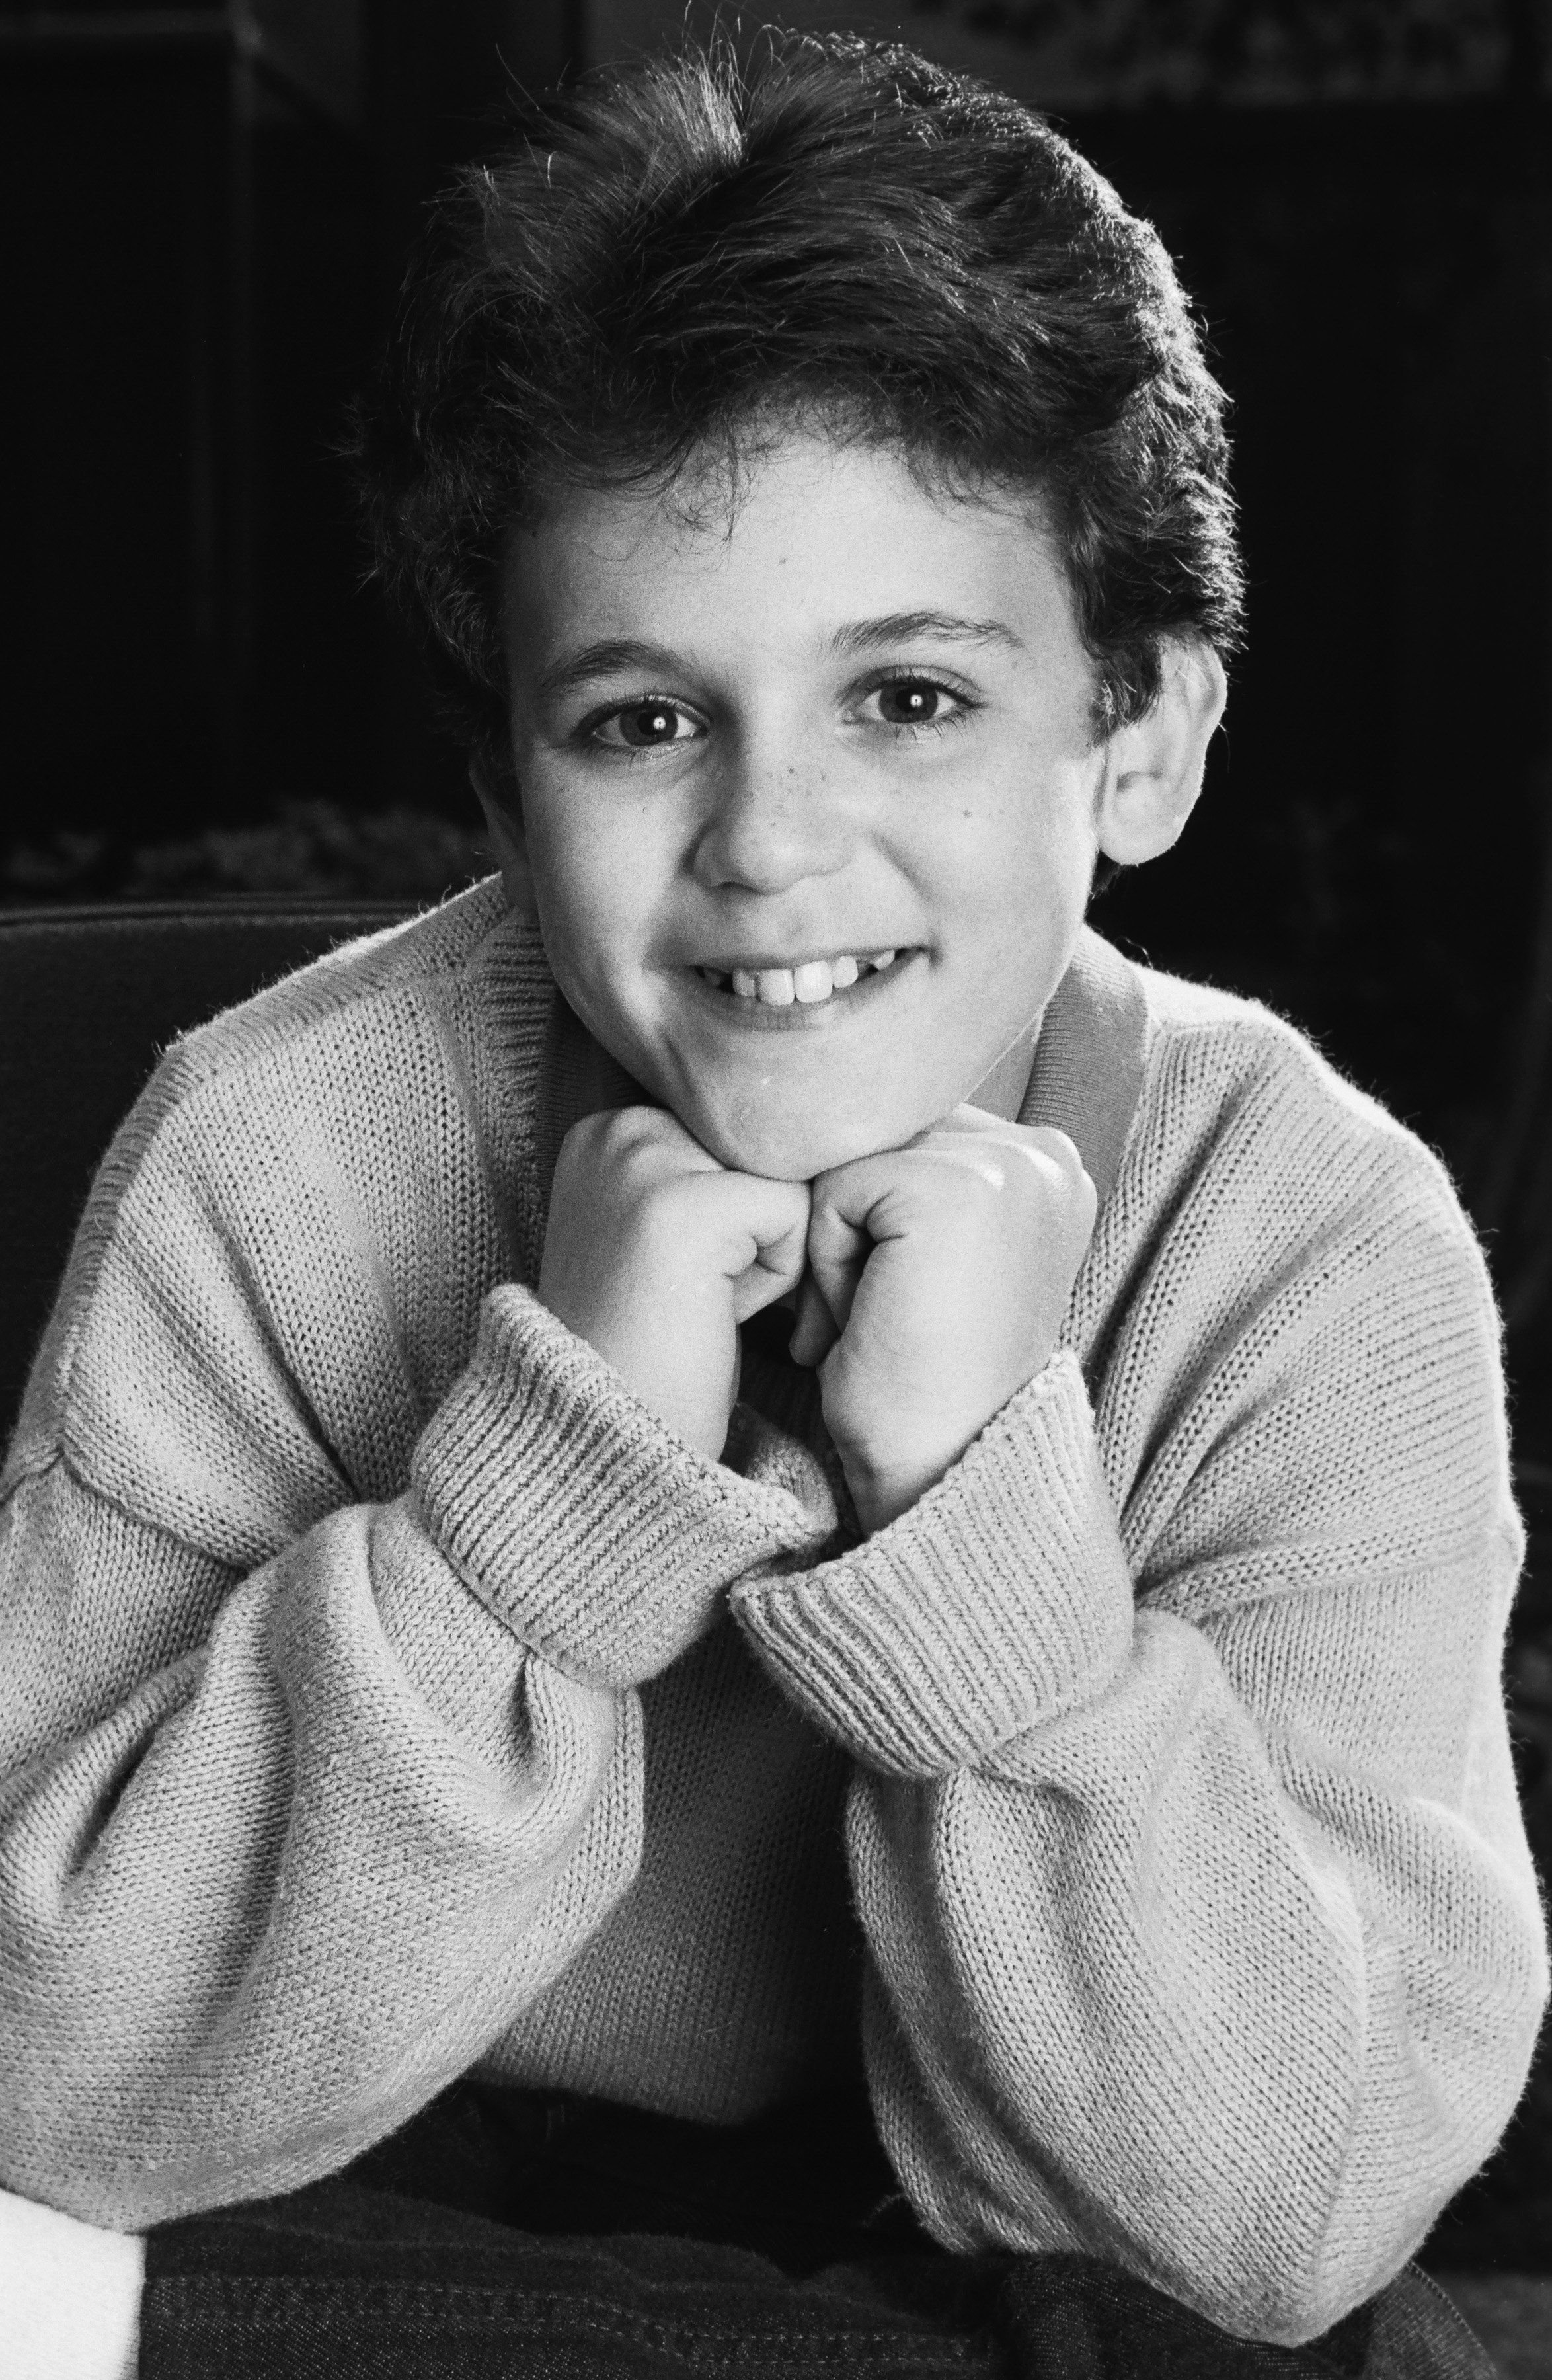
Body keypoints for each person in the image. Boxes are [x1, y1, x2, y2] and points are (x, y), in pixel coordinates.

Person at [0, 30, 1540, 2379]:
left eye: (907, 697)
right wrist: (532, 1513)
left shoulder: (1312, 1241)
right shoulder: (275, 1153)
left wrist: (969, 1527)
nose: (764, 842)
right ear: (507, 802)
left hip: (1022, 2226)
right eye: (640, 720)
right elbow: (54, 2068)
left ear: (1139, 737)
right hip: (382, 2157)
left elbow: (1282, 2203)